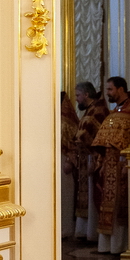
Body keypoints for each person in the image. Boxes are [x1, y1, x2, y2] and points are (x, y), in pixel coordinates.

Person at [92, 76, 130, 254]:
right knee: (107, 205)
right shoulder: (115, 112)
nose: (107, 93)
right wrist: (101, 163)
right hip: (109, 166)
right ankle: (107, 245)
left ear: (121, 89)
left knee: (119, 206)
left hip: (121, 166)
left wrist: (126, 162)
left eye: (110, 89)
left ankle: (119, 245)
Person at [71, 82, 109, 241]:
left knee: (93, 194)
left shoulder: (98, 110)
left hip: (93, 158)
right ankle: (85, 231)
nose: (76, 99)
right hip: (84, 159)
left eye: (78, 95)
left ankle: (92, 232)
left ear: (86, 94)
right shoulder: (90, 110)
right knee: (84, 195)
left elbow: (98, 137)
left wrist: (94, 156)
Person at [60, 92, 79, 239]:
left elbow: (74, 143)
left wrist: (69, 161)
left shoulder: (67, 121)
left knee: (65, 196)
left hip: (64, 161)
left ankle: (65, 229)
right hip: (53, 160)